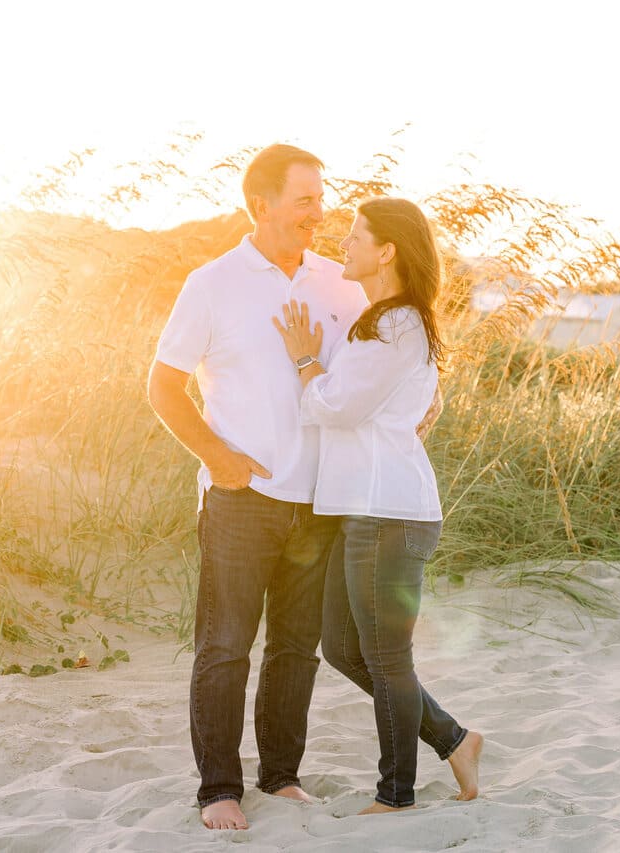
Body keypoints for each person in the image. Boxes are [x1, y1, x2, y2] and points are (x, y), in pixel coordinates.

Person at [148, 146, 439, 831]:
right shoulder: (213, 283)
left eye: (321, 198)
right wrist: (217, 456)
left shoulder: (338, 283)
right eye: (306, 199)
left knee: (294, 648)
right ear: (262, 204)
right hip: (242, 499)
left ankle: (280, 777)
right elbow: (162, 385)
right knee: (225, 645)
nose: (321, 212)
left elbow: (392, 349)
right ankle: (219, 785)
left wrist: (426, 402)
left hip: (321, 503)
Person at [272, 196, 483, 814]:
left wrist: (306, 360)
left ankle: (396, 796)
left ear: (386, 250)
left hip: (388, 510)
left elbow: (339, 408)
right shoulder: (388, 320)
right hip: (364, 508)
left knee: (387, 657)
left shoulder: (397, 324)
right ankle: (454, 739)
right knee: (342, 647)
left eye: (357, 235)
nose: (345, 242)